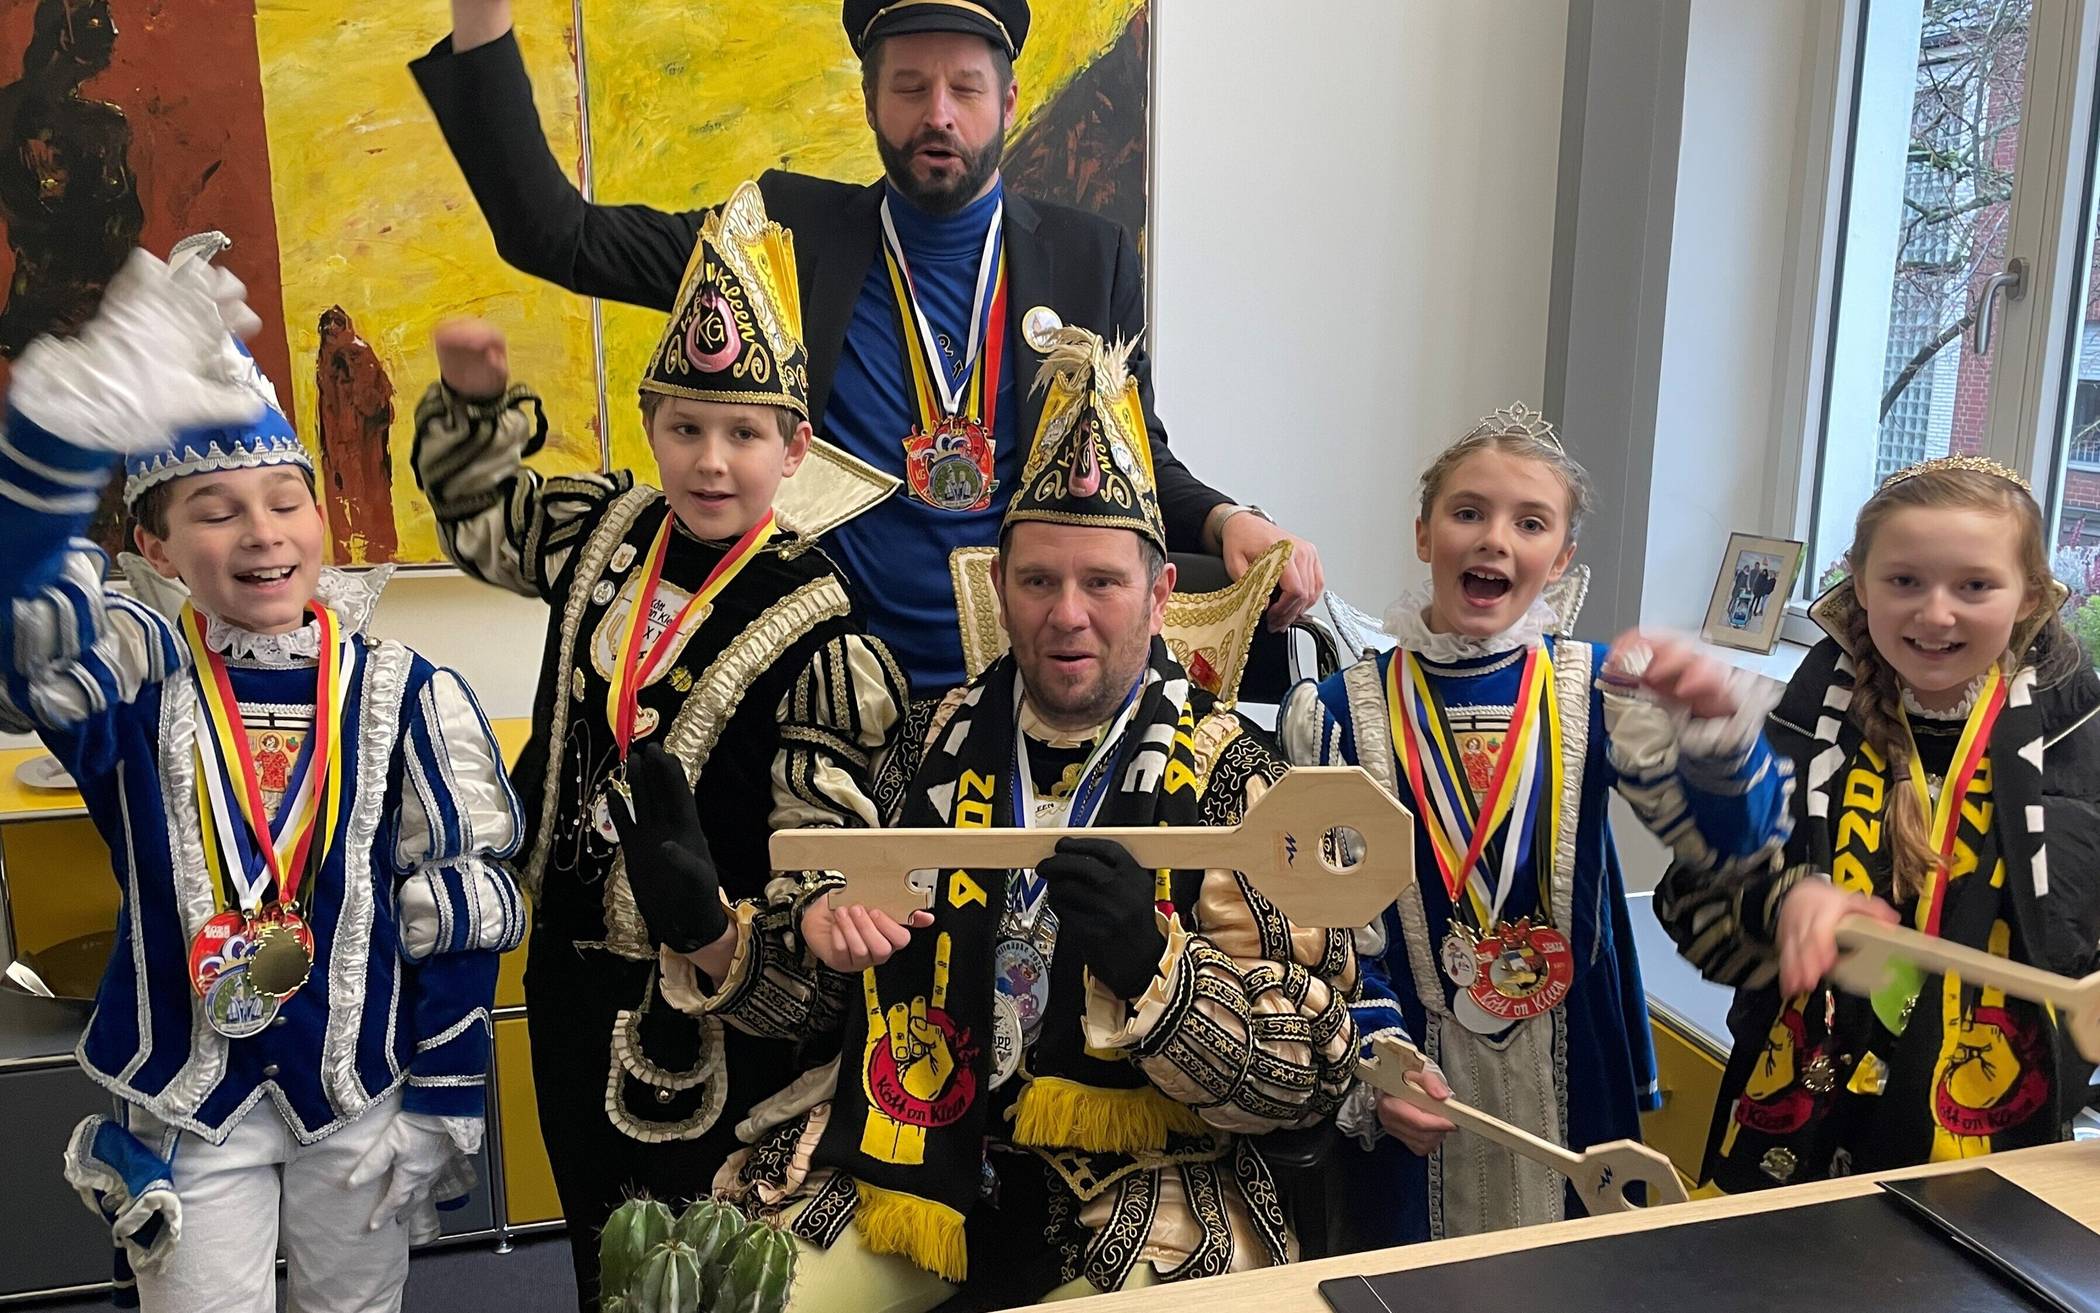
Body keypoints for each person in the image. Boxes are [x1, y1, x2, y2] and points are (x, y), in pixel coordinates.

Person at [631, 314, 1358, 1309]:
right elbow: (832, 1000)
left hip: (1146, 1185)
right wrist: (714, 935)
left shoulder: (1238, 781)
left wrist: (1160, 974)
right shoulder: (921, 748)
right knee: (738, 1296)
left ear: (1159, 595)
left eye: (1102, 582)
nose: (1067, 613)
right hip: (918, 1147)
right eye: (1039, 580)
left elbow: (1316, 1070)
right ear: (999, 588)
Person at [408, 0, 1324, 721]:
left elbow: (1132, 458)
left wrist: (1226, 518)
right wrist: (482, 15)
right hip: (827, 702)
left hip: (1023, 706)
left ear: (1007, 101)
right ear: (870, 101)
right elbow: (555, 234)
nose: (938, 114)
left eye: (965, 89)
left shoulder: (1092, 258)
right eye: (910, 87)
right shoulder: (783, 235)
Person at [410, 182, 910, 1308]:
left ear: (796, 447)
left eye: (744, 433)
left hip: (709, 1013)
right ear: (650, 426)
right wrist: (475, 409)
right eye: (686, 428)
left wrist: (741, 932)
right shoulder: (605, 530)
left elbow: (821, 859)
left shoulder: (825, 631)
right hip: (567, 972)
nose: (711, 461)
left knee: (704, 1272)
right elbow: (488, 524)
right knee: (596, 1246)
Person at [3, 237, 523, 1313]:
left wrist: (446, 1089)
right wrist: (65, 428)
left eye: (285, 499)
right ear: (156, 543)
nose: (262, 534)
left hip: (358, 1096)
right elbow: (23, 630)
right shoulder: (137, 681)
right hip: (187, 1108)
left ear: (321, 515)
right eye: (215, 509)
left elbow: (456, 900)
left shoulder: (406, 691)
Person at [1279, 403, 1792, 1246]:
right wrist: (1378, 1063)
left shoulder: (1602, 691)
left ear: (1561, 558)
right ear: (1423, 534)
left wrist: (1714, 727)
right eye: (1468, 512)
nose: (1495, 539)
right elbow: (1320, 924)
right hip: (1416, 1075)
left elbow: (1733, 843)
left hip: (1571, 1065)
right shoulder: (1339, 711)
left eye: (1530, 522)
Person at [1655, 456, 2100, 1189]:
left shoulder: (2080, 746)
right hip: (1794, 1122)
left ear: (2030, 596)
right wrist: (1780, 902)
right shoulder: (1798, 728)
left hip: (1992, 1134)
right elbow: (1685, 901)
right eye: (1904, 581)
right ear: (1860, 587)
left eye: (1975, 585)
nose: (1936, 613)